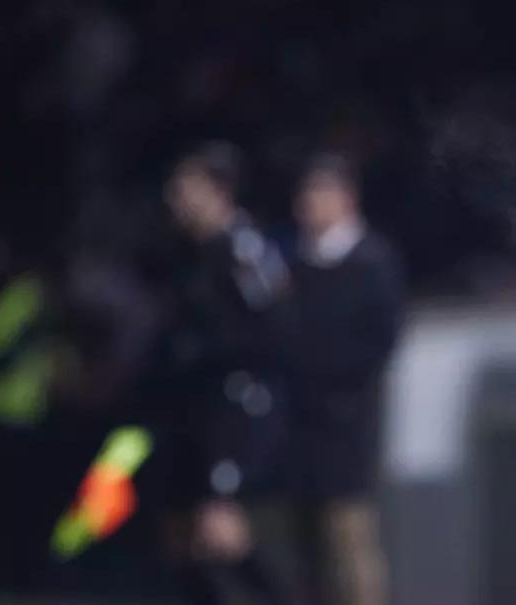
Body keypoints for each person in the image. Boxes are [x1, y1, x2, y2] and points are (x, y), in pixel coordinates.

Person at [156, 141, 291, 605]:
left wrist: (227, 361)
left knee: (221, 531)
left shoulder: (243, 247)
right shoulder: (186, 251)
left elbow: (272, 321)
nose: (176, 197)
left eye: (187, 187)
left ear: (219, 191)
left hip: (234, 406)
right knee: (180, 534)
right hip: (193, 407)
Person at [280, 152, 403, 605]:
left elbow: (379, 340)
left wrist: (332, 378)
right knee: (303, 543)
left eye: (319, 192)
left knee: (349, 536)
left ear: (346, 197)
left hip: (345, 420)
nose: (308, 203)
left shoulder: (372, 261)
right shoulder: (297, 262)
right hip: (299, 420)